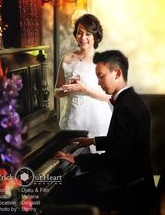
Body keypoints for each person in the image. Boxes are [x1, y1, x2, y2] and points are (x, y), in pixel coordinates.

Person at [54, 50, 156, 214]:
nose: (99, 83)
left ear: (117, 73)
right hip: (136, 177)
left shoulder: (125, 108)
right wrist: (93, 141)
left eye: (101, 76)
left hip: (128, 185)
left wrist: (77, 159)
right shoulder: (132, 100)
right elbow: (123, 141)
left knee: (64, 190)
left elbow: (114, 158)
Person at [54, 14, 112, 151]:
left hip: (96, 119)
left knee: (97, 161)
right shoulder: (67, 59)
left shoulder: (103, 61)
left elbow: (109, 96)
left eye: (88, 34)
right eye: (79, 33)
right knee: (70, 160)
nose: (83, 37)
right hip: (71, 117)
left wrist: (83, 89)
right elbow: (57, 92)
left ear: (95, 36)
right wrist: (67, 89)